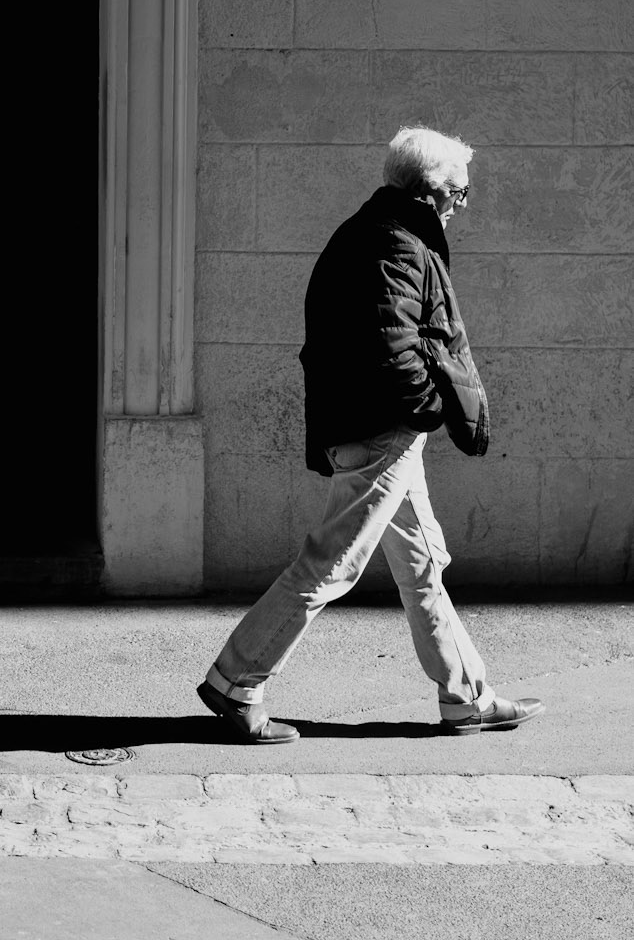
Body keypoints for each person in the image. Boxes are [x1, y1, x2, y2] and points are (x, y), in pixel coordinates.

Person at [197, 126, 545, 743]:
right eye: (460, 194)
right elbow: (394, 345)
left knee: (422, 563)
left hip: (377, 426)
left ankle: (467, 696)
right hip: (381, 429)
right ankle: (235, 680)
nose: (463, 206)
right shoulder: (398, 246)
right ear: (433, 190)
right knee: (332, 562)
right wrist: (430, 408)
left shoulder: (373, 231)